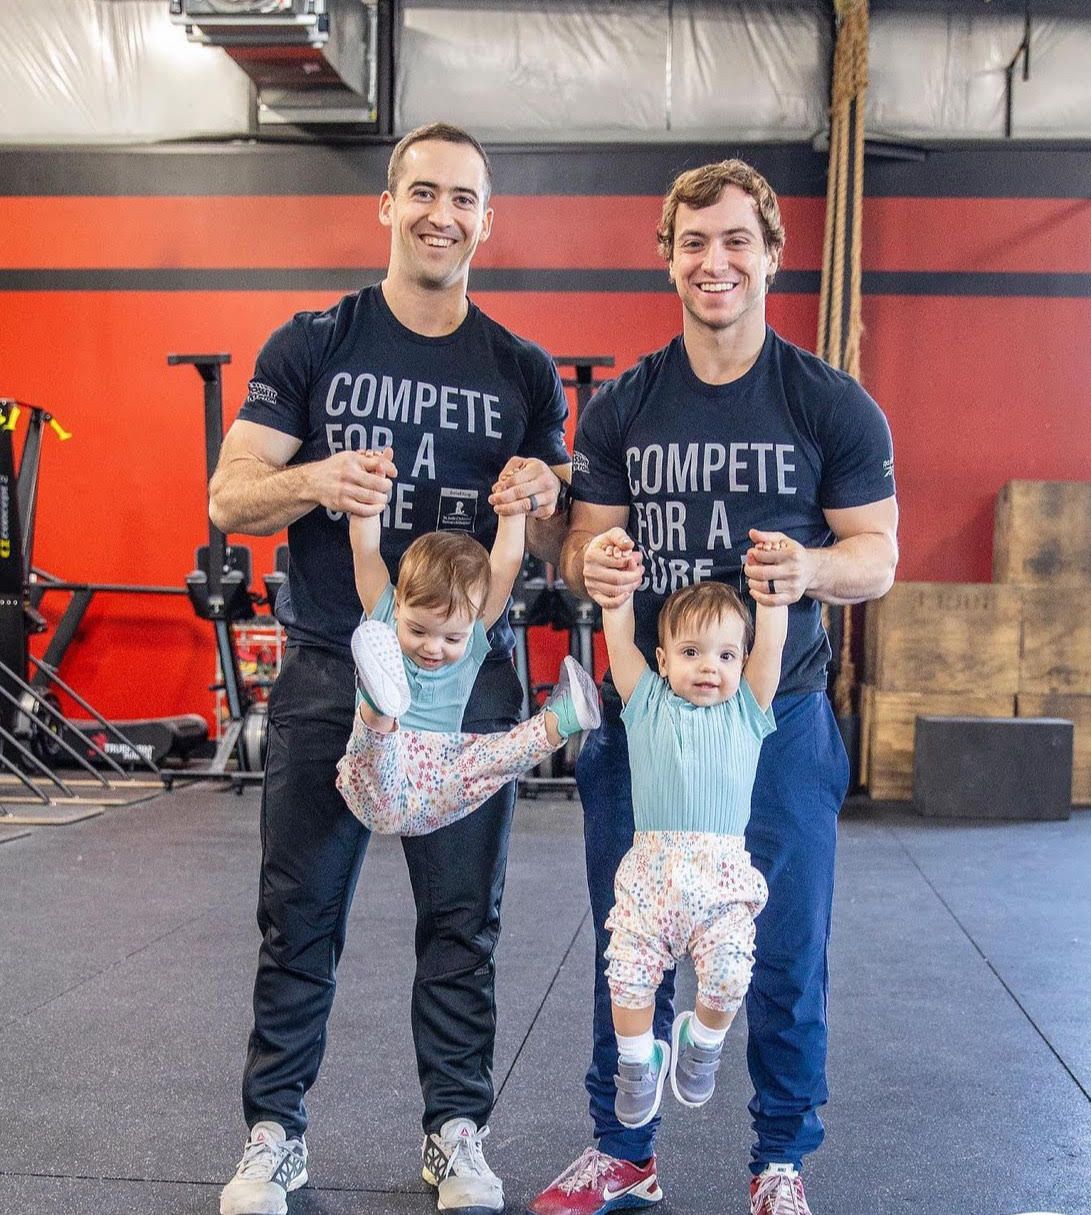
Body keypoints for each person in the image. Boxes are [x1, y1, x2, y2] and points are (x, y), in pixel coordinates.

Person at [210, 122, 573, 1215]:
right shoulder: (312, 343)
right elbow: (230, 498)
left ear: (486, 220)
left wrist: (542, 505)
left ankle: (454, 1133)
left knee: (464, 922)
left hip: (470, 686)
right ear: (387, 204)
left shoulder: (520, 370)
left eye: (464, 198)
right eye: (423, 192)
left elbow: (554, 542)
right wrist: (318, 477)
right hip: (336, 666)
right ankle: (276, 1135)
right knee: (300, 916)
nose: (441, 215)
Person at [529, 159, 898, 1215]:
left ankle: (777, 1158)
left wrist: (813, 569)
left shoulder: (830, 403)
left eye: (737, 240)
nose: (715, 260)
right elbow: (589, 549)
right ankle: (625, 1152)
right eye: (694, 242)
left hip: (773, 722)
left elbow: (877, 555)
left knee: (782, 950)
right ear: (668, 258)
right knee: (627, 949)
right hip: (649, 734)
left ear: (771, 255)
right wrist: (589, 565)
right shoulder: (625, 407)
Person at [599, 573, 786, 1133]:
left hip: (722, 881)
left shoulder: (747, 710)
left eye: (727, 655)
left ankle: (699, 1040)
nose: (710, 666)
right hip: (651, 880)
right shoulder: (646, 704)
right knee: (626, 978)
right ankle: (639, 1063)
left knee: (731, 976)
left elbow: (771, 645)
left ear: (743, 662)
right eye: (691, 652)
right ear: (661, 659)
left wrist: (772, 596)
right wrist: (616, 598)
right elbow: (618, 638)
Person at [337, 474, 600, 837]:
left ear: (473, 623)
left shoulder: (475, 633)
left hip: (440, 779)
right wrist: (367, 497)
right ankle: (379, 705)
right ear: (398, 605)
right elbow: (365, 552)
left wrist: (512, 513)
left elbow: (505, 564)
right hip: (380, 782)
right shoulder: (384, 613)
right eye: (417, 631)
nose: (433, 647)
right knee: (376, 752)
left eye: (451, 638)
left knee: (492, 759)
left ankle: (565, 717)